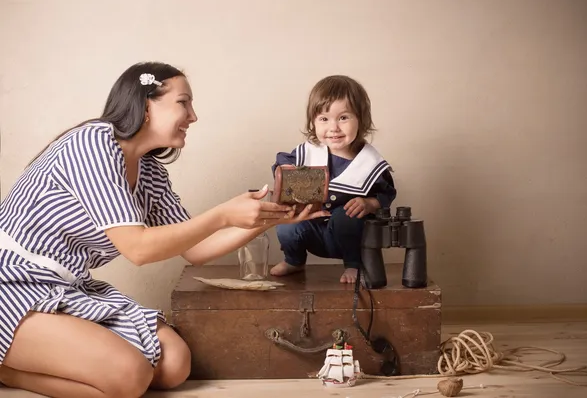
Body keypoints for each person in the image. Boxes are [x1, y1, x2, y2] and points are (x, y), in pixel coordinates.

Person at [0, 61, 329, 398]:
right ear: (146, 106)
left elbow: (195, 250)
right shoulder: (93, 143)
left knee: (173, 365)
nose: (193, 115)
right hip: (14, 284)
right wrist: (222, 214)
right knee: (130, 378)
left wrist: (270, 217)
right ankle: (9, 374)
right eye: (183, 102)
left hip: (69, 288)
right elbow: (139, 249)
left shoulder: (150, 173)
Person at [269, 75, 397, 284]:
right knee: (287, 224)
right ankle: (294, 259)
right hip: (312, 231)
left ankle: (355, 264)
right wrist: (287, 184)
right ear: (313, 122)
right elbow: (282, 168)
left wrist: (370, 203)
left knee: (346, 215)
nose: (334, 127)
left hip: (349, 236)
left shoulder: (369, 162)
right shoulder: (307, 153)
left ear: (361, 119)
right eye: (324, 119)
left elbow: (387, 193)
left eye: (343, 118)